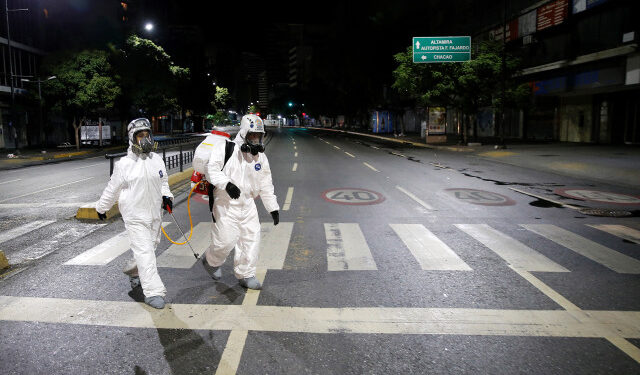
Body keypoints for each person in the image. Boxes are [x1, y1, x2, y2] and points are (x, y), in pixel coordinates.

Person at [96, 118, 173, 309]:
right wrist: (101, 208)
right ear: (132, 138)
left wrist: (167, 196)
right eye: (140, 135)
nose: (145, 139)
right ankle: (154, 292)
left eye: (147, 135)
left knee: (150, 248)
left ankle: (133, 270)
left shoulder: (157, 160)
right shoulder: (124, 164)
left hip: (155, 213)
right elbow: (112, 188)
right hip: (135, 215)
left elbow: (163, 182)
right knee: (145, 252)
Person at [201, 114, 279, 290]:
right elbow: (211, 169)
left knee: (251, 239)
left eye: (258, 136)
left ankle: (246, 274)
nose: (255, 139)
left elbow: (266, 184)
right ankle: (210, 260)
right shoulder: (226, 148)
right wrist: (226, 184)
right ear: (244, 133)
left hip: (248, 204)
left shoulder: (259, 158)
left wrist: (272, 207)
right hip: (225, 203)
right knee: (225, 241)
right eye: (252, 135)